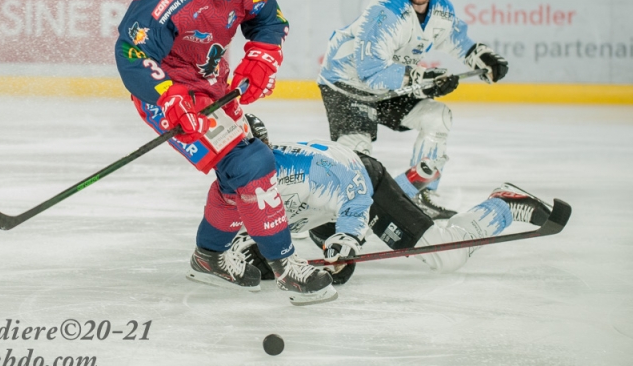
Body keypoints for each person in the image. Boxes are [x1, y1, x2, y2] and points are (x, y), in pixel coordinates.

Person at [114, 0, 336, 306]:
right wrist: (169, 97)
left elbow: (267, 22)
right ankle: (285, 267)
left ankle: (210, 257)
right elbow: (131, 53)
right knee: (251, 162)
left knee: (241, 169)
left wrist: (263, 59)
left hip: (212, 85)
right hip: (168, 90)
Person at [232, 114, 554, 285]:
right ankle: (410, 185)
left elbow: (355, 199)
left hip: (361, 182)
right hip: (321, 207)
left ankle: (503, 203)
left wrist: (346, 239)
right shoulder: (230, 182)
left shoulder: (308, 171)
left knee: (445, 257)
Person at [317, 0, 509, 219]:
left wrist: (483, 58)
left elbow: (457, 41)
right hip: (347, 86)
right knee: (357, 158)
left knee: (437, 117)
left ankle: (420, 192)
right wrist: (422, 77)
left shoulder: (441, 9)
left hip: (392, 83)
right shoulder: (386, 12)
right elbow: (370, 71)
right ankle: (320, 214)